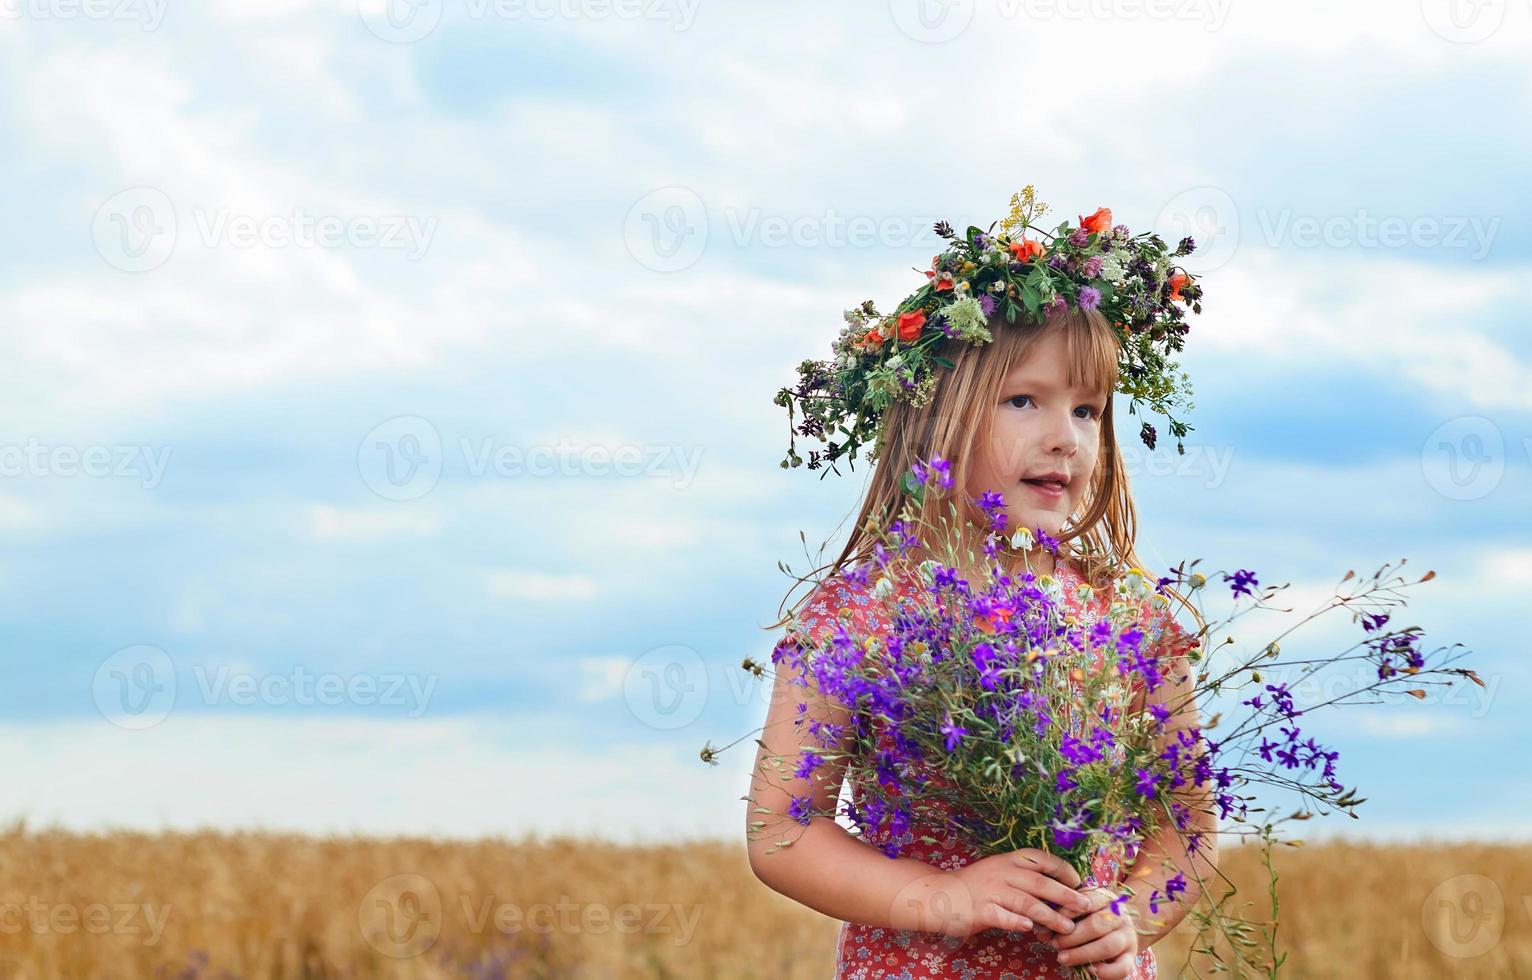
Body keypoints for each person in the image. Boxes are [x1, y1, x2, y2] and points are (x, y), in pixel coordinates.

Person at [748, 191, 1217, 979]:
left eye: (1089, 409)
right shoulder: (862, 614)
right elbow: (782, 835)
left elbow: (1189, 828)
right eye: (1024, 400)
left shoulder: (1129, 611)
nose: (1065, 437)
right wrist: (945, 898)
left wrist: (1128, 922)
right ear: (933, 419)